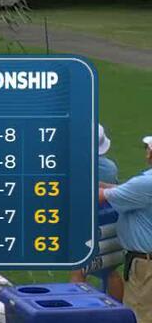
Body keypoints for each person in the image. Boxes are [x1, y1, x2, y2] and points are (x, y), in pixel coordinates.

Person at [101, 134, 152, 320]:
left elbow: (102, 196)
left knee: (139, 316)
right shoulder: (144, 184)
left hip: (145, 267)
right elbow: (125, 191)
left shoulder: (145, 183)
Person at [73, 125, 125, 299]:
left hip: (84, 220)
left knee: (78, 270)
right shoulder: (110, 167)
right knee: (110, 271)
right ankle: (118, 309)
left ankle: (78, 309)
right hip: (110, 220)